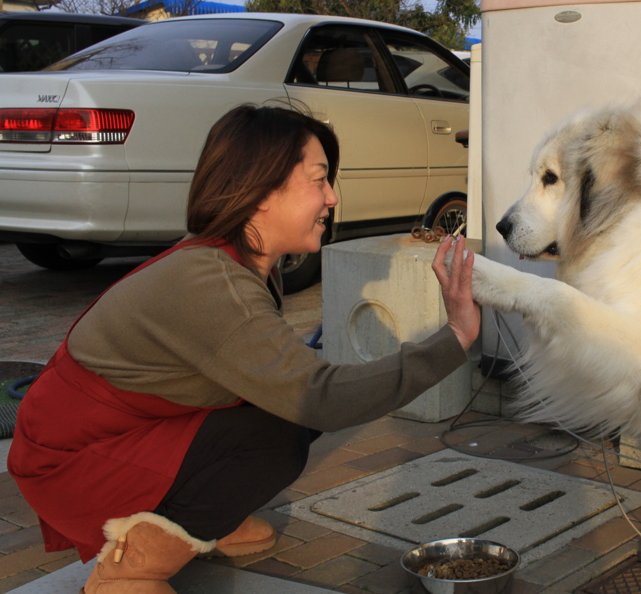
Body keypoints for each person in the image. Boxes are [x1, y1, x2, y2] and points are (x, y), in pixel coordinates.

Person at [8, 104, 479, 594]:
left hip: (116, 437)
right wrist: (456, 337)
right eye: (319, 180)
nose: (332, 198)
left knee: (275, 407)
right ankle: (132, 567)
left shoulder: (237, 261)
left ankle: (203, 522)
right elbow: (321, 398)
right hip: (71, 462)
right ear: (260, 192)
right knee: (279, 431)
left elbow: (290, 381)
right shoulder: (214, 281)